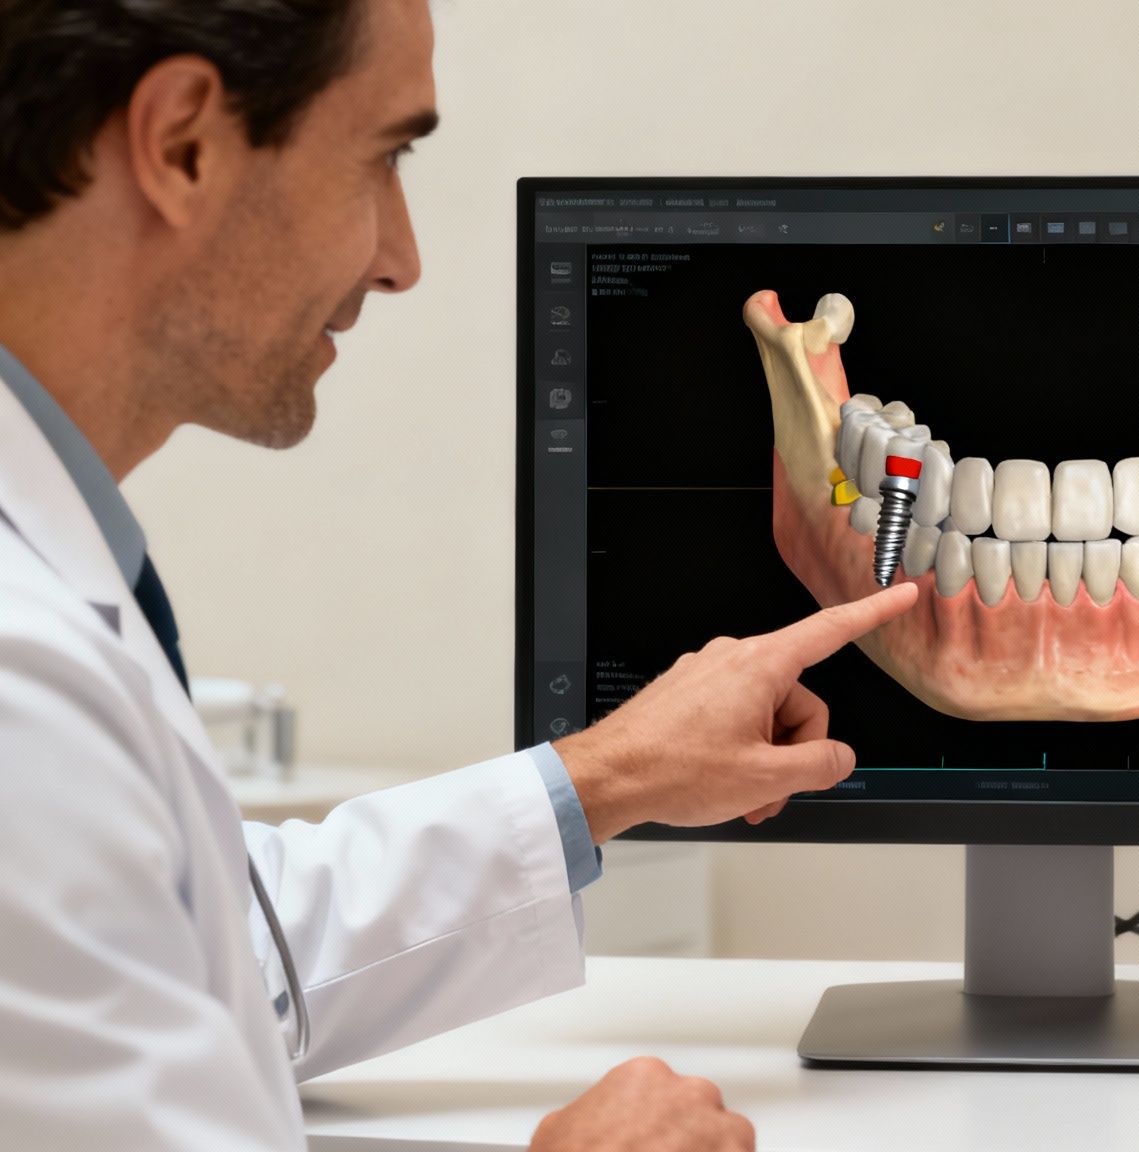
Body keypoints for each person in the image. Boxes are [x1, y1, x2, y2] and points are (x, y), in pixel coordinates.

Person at [0, 1, 915, 1148]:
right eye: (383, 156)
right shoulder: (19, 695)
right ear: (183, 143)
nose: (402, 260)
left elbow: (225, 956)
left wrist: (610, 775)